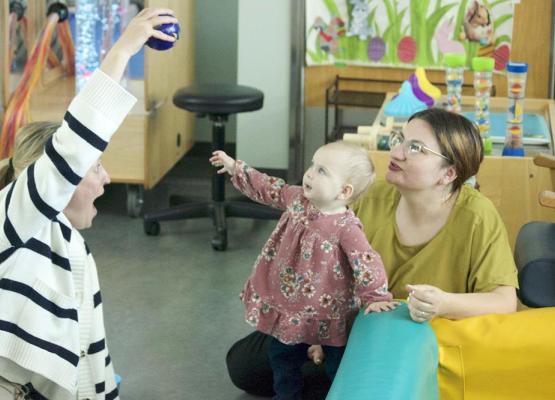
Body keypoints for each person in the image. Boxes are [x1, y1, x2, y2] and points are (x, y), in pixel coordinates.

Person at [225, 108, 518, 399]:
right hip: (351, 329)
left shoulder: (477, 216)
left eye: (415, 148)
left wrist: (443, 303)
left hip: (417, 345)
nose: (397, 152)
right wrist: (320, 330)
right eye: (400, 139)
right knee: (242, 365)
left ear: (448, 173)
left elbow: (504, 301)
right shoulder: (373, 197)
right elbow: (325, 273)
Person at [0, 8, 177, 400]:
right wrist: (123, 50)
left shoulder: (73, 247)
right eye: (95, 167)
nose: (107, 180)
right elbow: (76, 145)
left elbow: (90, 354)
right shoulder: (12, 220)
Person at [210, 141, 398, 400]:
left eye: (322, 171)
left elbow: (366, 261)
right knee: (282, 358)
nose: (310, 172)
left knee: (337, 366)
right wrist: (236, 168)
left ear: (344, 191)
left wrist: (375, 296)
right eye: (312, 164)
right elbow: (270, 187)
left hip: (328, 312)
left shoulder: (346, 227)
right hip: (289, 308)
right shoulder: (298, 198)